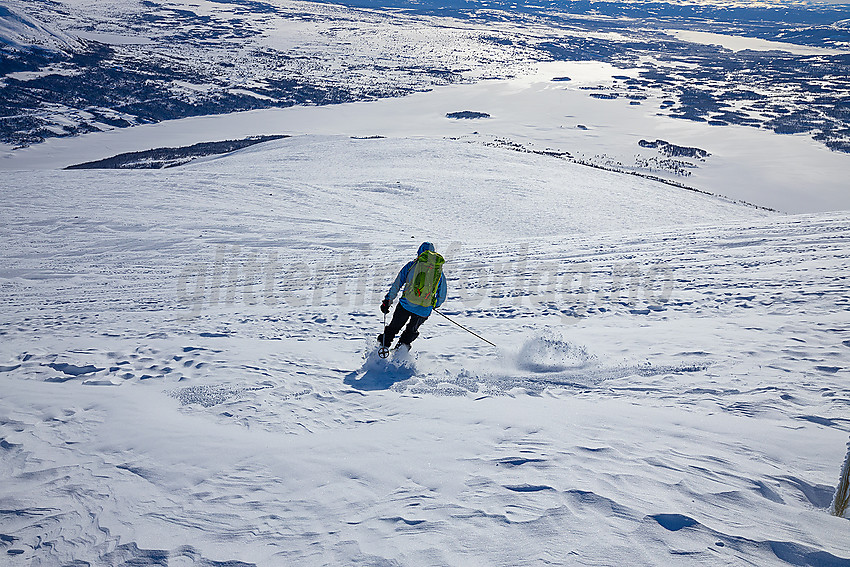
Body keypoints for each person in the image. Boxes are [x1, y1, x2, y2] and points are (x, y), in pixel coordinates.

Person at [378, 242, 447, 351]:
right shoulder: (438, 271)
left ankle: (381, 350)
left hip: (406, 304)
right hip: (424, 310)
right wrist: (433, 305)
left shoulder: (412, 265)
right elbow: (442, 294)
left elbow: (397, 284)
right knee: (410, 332)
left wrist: (388, 300)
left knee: (393, 328)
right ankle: (401, 354)